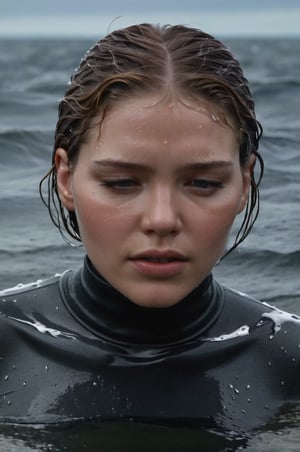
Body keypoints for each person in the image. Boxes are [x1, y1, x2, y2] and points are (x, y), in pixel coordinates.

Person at [0, 23, 299, 438]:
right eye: (122, 183)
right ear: (66, 179)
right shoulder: (6, 343)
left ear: (245, 183)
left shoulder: (288, 358)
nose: (161, 219)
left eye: (203, 183)